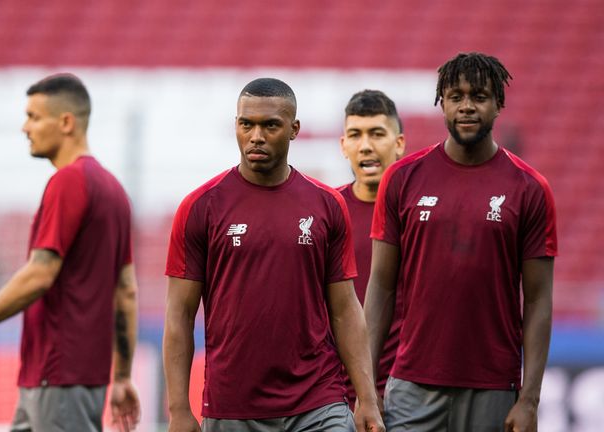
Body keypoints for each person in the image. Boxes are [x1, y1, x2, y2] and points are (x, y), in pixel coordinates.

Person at [162, 77, 385, 432]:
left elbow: (345, 309)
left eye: (270, 125)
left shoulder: (327, 205)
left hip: (318, 402)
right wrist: (178, 411)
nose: (256, 136)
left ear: (294, 129)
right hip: (233, 406)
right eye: (246, 124)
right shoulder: (200, 207)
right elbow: (179, 315)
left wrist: (367, 399)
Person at [0, 73, 141, 432]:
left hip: (58, 372)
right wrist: (121, 376)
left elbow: (40, 273)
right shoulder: (114, 190)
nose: (25, 127)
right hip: (70, 378)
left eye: (34, 116)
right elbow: (126, 291)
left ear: (65, 122)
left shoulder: (68, 182)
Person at [364, 52, 557, 431]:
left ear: (498, 103)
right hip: (411, 388)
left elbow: (537, 299)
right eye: (456, 96)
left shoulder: (530, 189)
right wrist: (366, 392)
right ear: (443, 102)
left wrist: (530, 399)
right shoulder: (402, 179)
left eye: (479, 96)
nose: (467, 106)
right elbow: (381, 288)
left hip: (493, 389)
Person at [335, 90, 405, 409]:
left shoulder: (422, 213)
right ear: (343, 145)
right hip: (333, 397)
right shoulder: (325, 212)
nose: (366, 145)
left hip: (409, 393)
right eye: (355, 135)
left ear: (399, 143)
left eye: (377, 133)